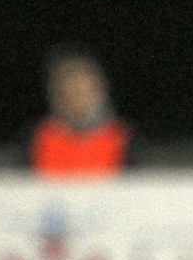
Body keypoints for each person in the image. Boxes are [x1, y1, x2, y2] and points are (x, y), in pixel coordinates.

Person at [28, 48, 131, 178]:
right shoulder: (33, 140)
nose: (75, 98)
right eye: (66, 89)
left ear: (100, 88)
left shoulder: (128, 142)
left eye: (81, 90)